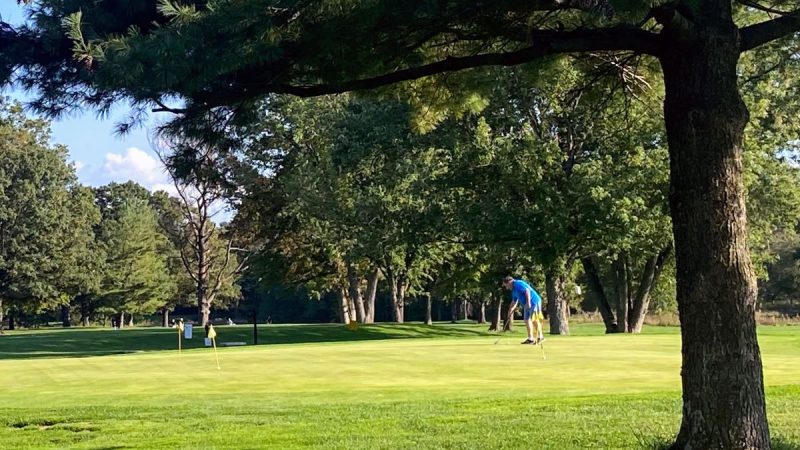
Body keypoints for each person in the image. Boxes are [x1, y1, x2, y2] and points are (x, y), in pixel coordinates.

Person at [503, 276, 544, 345]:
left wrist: (528, 303)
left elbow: (527, 291)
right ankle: (530, 338)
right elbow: (514, 301)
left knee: (534, 319)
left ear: (510, 282)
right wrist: (510, 310)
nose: (506, 288)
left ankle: (540, 336)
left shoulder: (518, 283)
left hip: (534, 301)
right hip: (526, 304)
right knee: (526, 319)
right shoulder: (513, 290)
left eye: (506, 285)